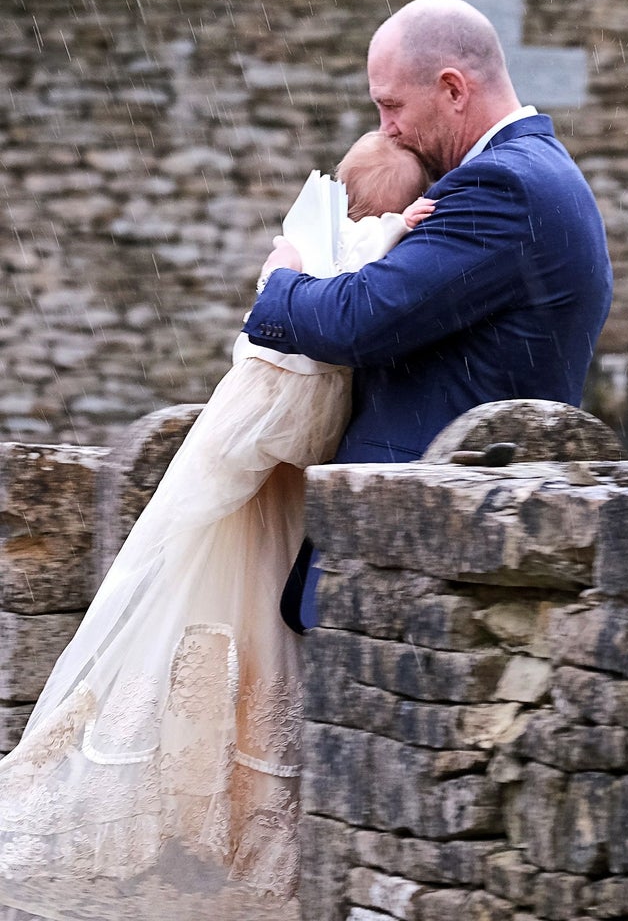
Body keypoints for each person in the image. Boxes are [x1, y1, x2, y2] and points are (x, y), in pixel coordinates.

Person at [0, 133, 433, 921]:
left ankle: (225, 809)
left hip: (277, 455)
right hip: (267, 439)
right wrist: (401, 229)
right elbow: (356, 277)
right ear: (368, 207)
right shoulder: (329, 253)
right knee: (213, 610)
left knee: (245, 621)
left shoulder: (305, 262)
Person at [247, 0, 614, 631]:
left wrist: (280, 280)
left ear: (451, 88)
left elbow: (358, 319)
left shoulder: (502, 187)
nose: (384, 127)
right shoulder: (542, 174)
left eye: (391, 105)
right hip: (442, 552)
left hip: (418, 562)